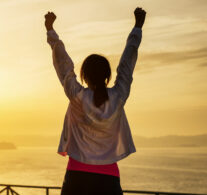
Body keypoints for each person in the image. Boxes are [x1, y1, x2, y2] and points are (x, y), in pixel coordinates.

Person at [44, 7, 146, 195]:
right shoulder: (117, 97)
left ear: (84, 75)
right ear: (107, 76)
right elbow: (126, 66)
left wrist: (50, 31)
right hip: (108, 179)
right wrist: (137, 27)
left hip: (77, 176)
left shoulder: (77, 95)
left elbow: (63, 65)